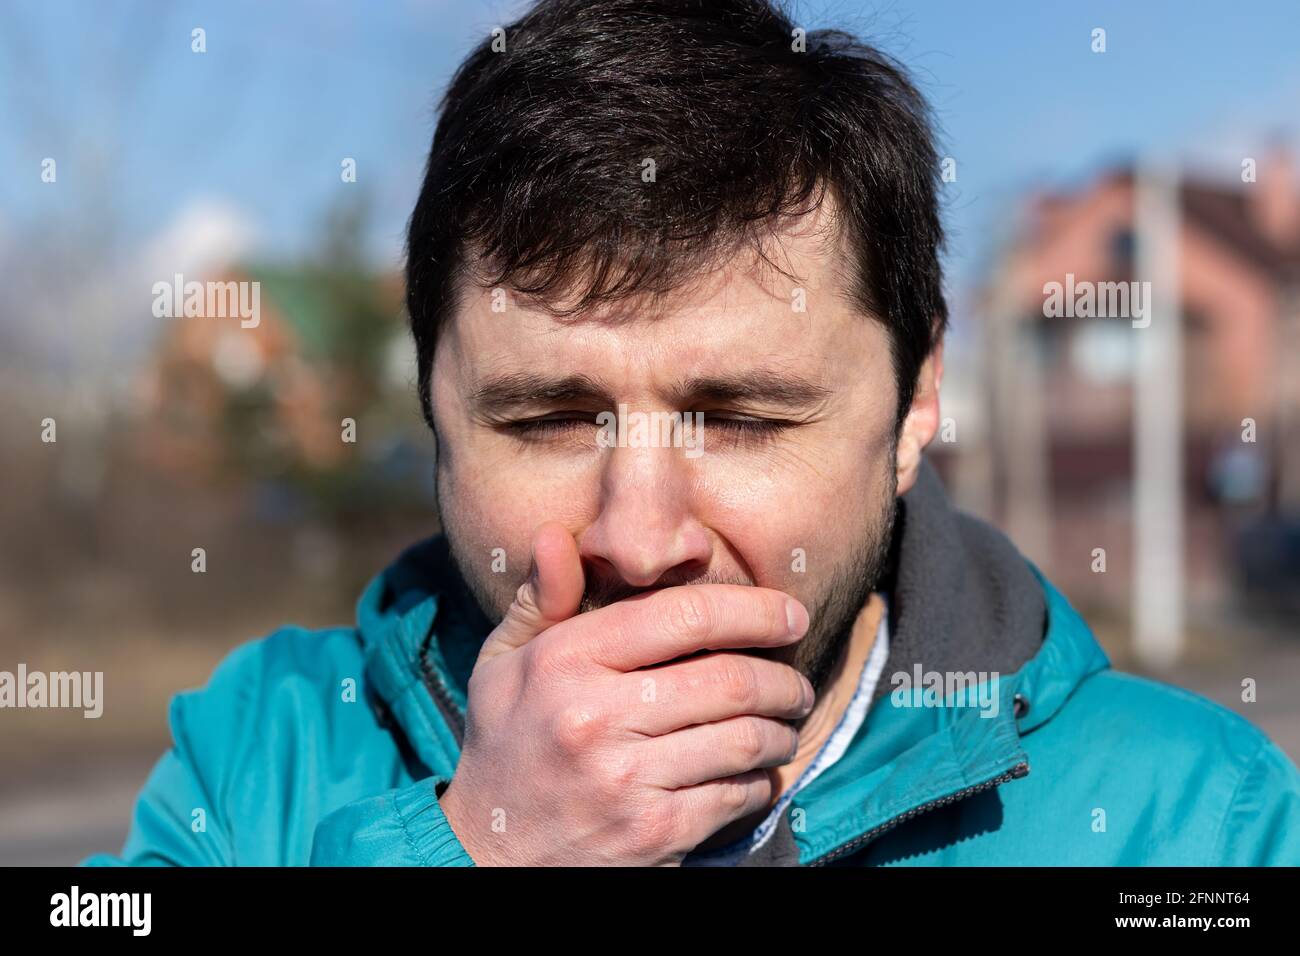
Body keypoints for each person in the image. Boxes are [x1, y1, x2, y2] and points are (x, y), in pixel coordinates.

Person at [87, 0, 1300, 867]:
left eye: (738, 416)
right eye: (549, 416)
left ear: (916, 397)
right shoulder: (258, 757)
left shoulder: (1198, 819)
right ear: (431, 402)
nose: (640, 536)